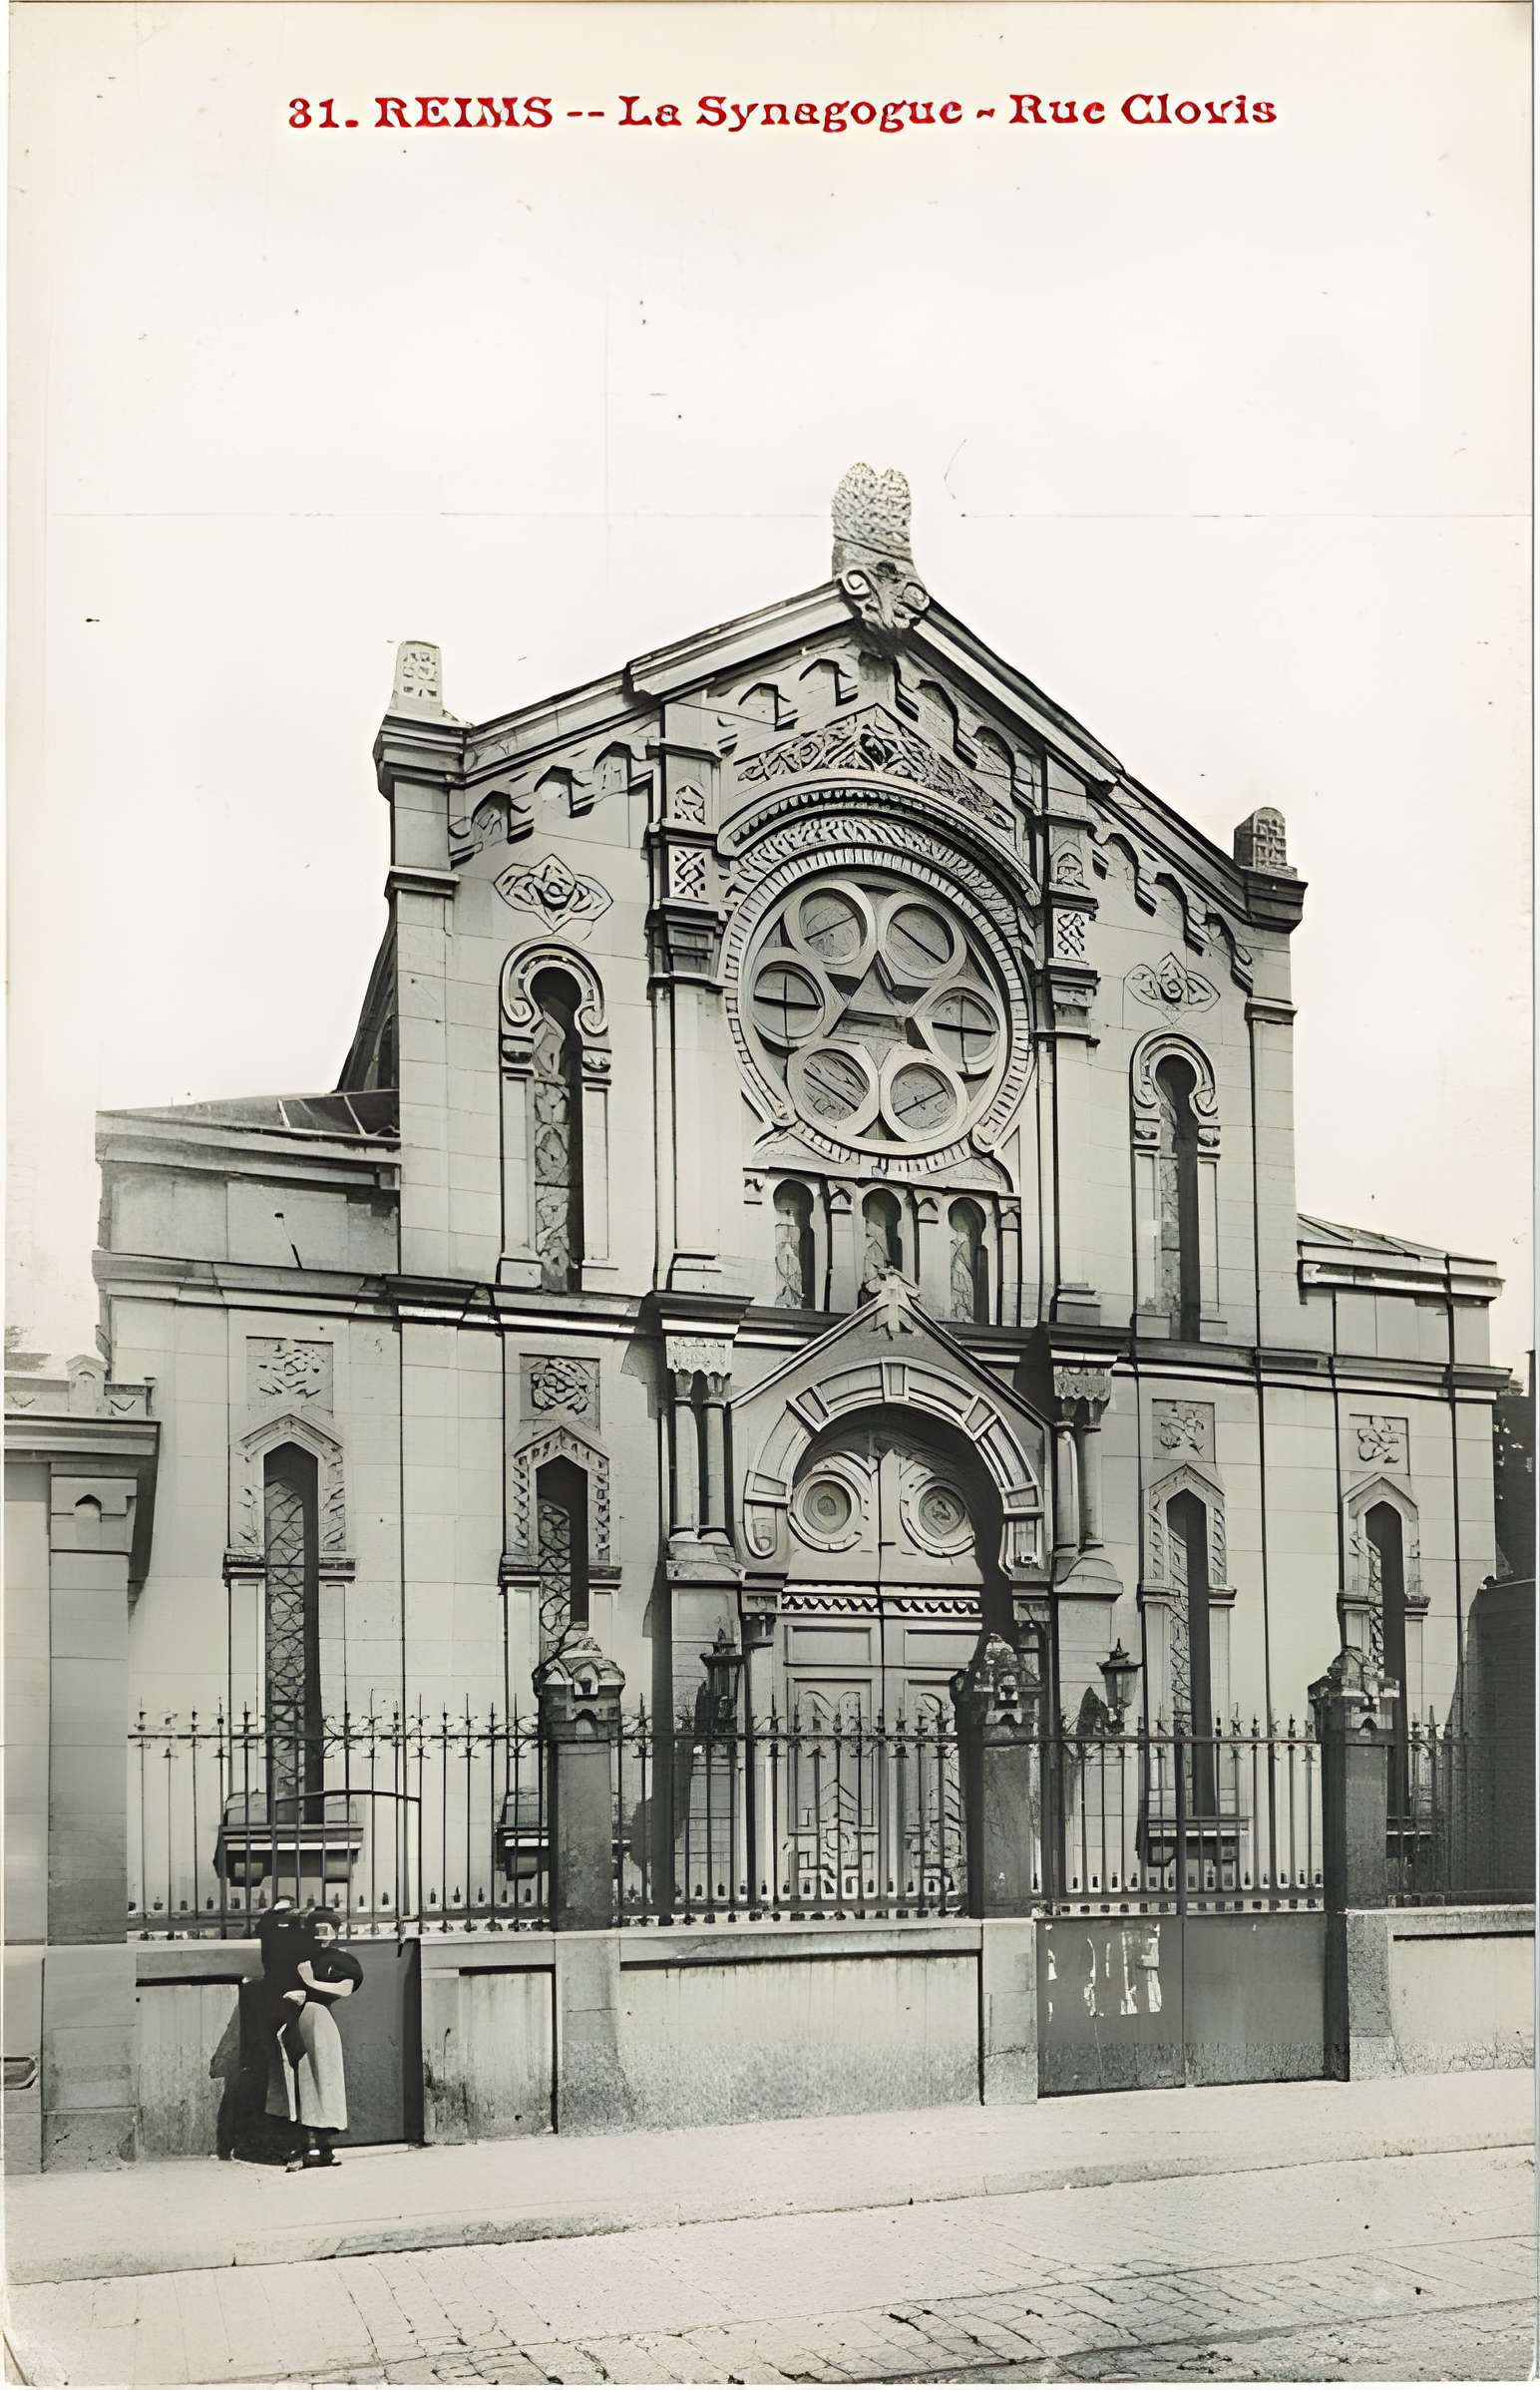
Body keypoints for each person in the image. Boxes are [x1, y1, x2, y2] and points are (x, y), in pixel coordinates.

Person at [263, 1908, 362, 2169]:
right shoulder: (294, 1957)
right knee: (299, 2084)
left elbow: (345, 1988)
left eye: (326, 1929)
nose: (321, 1936)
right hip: (293, 2021)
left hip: (320, 2020)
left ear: (336, 1931)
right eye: (316, 1929)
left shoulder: (342, 1959)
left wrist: (310, 1984)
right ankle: (303, 2148)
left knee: (326, 2082)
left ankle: (327, 2147)